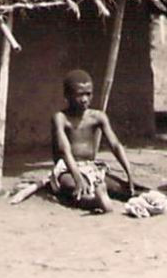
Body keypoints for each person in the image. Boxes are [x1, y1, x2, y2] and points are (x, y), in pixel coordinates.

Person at [49, 69, 137, 213]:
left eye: (88, 94)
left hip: (92, 168)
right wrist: (77, 177)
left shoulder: (98, 117)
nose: (84, 99)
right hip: (67, 169)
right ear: (67, 95)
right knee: (71, 188)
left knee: (124, 189)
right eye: (79, 94)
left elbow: (115, 145)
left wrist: (129, 173)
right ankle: (96, 201)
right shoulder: (61, 118)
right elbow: (64, 150)